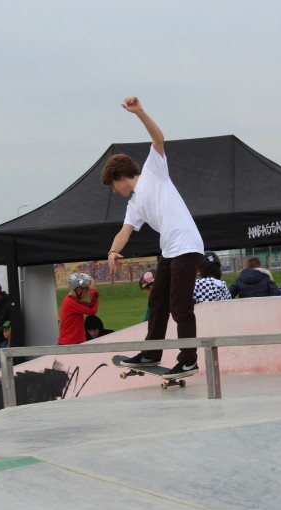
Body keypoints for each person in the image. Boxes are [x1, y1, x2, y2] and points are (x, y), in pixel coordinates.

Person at [103, 97, 204, 381]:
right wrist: (112, 251)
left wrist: (139, 113)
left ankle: (188, 360)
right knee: (157, 302)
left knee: (179, 305)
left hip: (186, 245)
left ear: (121, 176)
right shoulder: (134, 204)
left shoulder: (153, 171)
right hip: (170, 251)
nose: (114, 191)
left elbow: (159, 138)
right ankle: (151, 352)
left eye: (113, 186)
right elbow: (125, 231)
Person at [58, 273, 98, 345]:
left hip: (72, 344)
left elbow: (90, 306)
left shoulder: (73, 300)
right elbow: (92, 309)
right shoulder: (70, 302)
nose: (87, 293)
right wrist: (93, 290)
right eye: (86, 290)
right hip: (69, 345)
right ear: (79, 289)